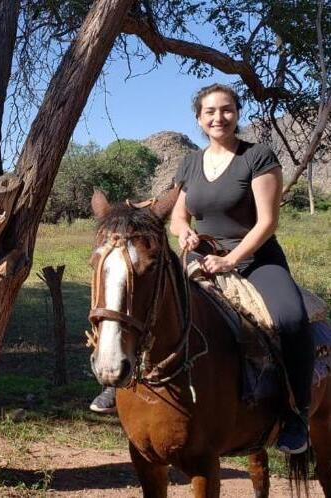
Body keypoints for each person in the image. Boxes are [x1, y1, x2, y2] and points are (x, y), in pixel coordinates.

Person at [169, 83, 313, 454]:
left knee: (291, 319)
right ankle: (121, 383)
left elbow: (267, 223)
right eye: (210, 112)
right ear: (199, 119)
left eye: (227, 109)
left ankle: (297, 413)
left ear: (237, 112)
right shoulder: (190, 162)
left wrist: (231, 261)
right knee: (151, 308)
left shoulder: (258, 157)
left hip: (255, 260)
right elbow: (178, 217)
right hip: (202, 258)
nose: (219, 117)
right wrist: (185, 232)